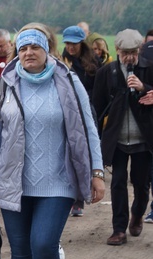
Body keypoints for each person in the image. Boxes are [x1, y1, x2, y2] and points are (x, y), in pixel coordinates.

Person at [0, 27, 104, 259]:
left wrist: (97, 172)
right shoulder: (6, 85)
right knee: (20, 248)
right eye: (22, 48)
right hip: (12, 180)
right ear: (16, 53)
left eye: (35, 47)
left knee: (43, 243)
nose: (28, 52)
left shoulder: (69, 82)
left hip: (58, 180)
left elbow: (88, 128)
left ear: (47, 50)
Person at [92, 29, 153, 245]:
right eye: (125, 52)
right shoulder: (106, 73)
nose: (129, 57)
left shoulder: (149, 68)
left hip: (144, 139)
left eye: (134, 52)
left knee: (141, 184)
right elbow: (96, 108)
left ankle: (137, 214)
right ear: (117, 50)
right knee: (117, 183)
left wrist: (144, 88)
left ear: (140, 50)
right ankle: (118, 229)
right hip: (116, 139)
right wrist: (94, 142)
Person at [62, 25, 100, 218]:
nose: (70, 47)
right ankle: (72, 198)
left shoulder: (93, 63)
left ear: (81, 44)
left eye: (73, 43)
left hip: (88, 111)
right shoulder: (60, 62)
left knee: (83, 153)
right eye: (67, 43)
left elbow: (99, 90)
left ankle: (82, 196)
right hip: (67, 111)